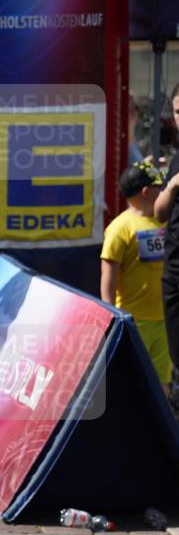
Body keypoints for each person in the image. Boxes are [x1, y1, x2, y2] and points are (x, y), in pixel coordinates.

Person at [101, 162, 171, 392]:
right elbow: (109, 273)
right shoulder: (120, 228)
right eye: (160, 186)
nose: (164, 190)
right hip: (134, 320)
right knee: (132, 380)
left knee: (162, 380)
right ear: (146, 192)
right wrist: (110, 313)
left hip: (163, 318)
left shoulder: (165, 221)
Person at [154, 82, 179, 413]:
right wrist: (172, 185)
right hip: (173, 271)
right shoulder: (176, 159)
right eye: (177, 112)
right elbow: (160, 213)